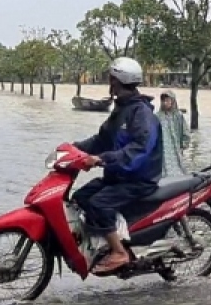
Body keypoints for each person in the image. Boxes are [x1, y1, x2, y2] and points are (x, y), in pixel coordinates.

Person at [71, 57, 163, 275]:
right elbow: (101, 140)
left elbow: (139, 149)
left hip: (138, 180)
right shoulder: (120, 109)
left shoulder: (141, 113)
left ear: (117, 81)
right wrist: (74, 149)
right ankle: (101, 242)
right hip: (117, 177)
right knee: (80, 198)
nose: (109, 83)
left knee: (99, 203)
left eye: (111, 79)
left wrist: (103, 159)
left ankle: (119, 251)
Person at [156, 90, 190, 177]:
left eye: (167, 100)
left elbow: (185, 131)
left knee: (178, 166)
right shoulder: (157, 116)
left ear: (173, 101)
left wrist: (183, 145)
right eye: (163, 100)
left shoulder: (178, 115)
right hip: (163, 147)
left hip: (176, 146)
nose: (165, 103)